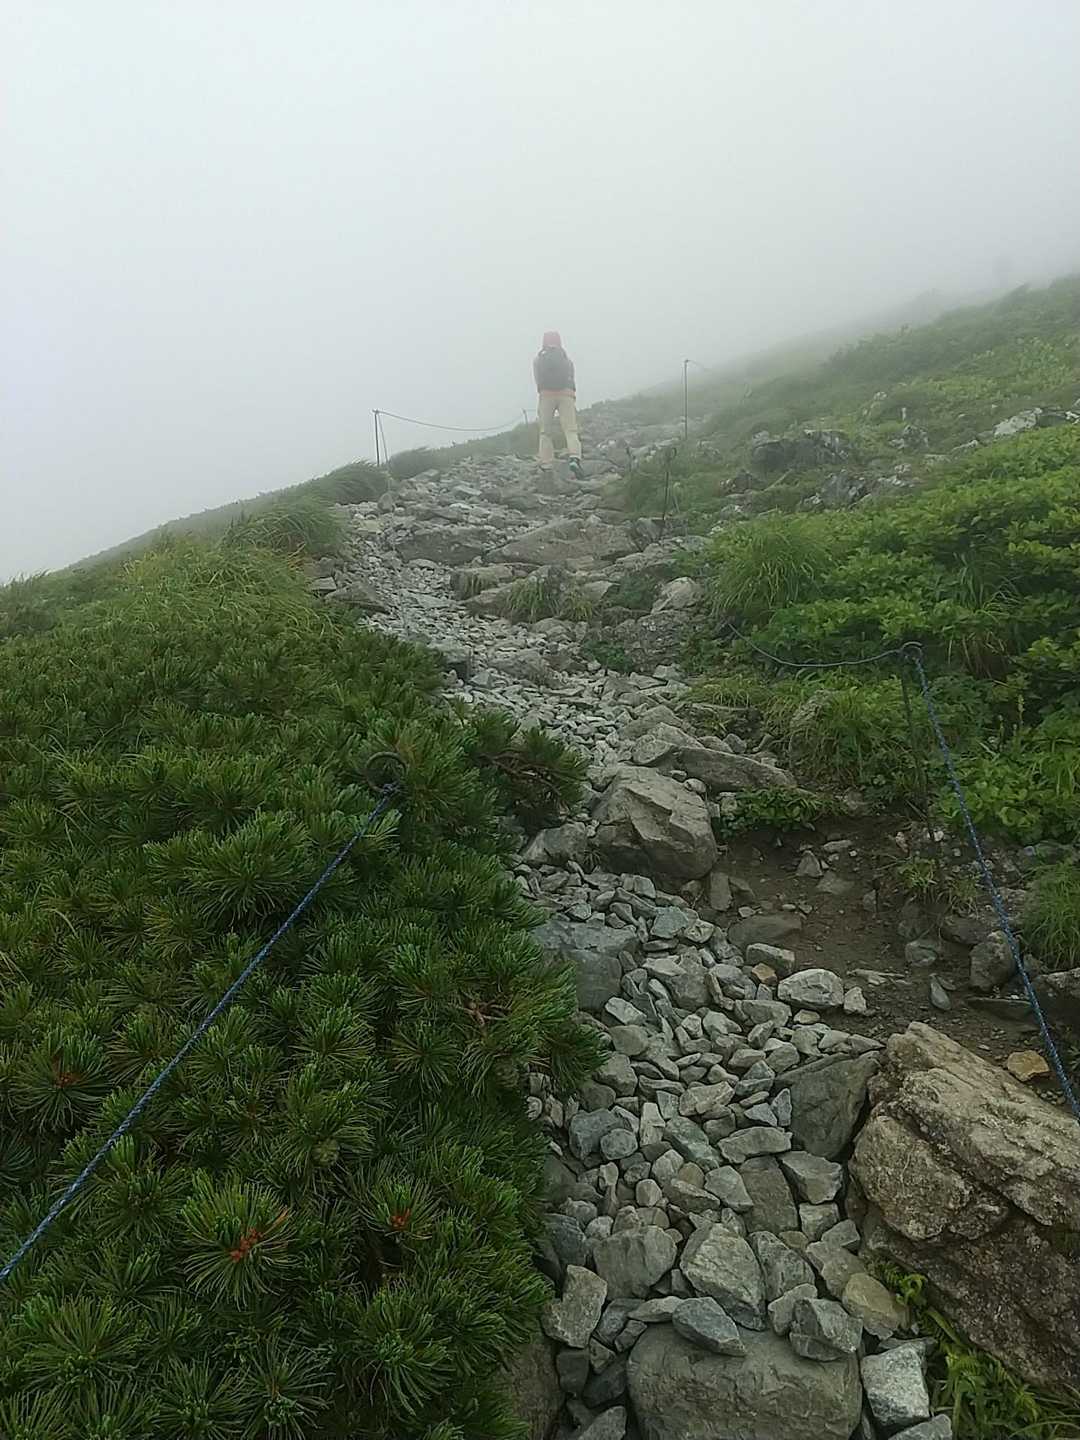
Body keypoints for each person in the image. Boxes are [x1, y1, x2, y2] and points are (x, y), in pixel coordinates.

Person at [533, 331, 583, 478]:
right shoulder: (566, 359)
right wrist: (571, 394)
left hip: (546, 396)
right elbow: (571, 377)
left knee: (545, 432)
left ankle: (546, 463)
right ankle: (575, 458)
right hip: (566, 395)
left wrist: (543, 391)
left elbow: (537, 380)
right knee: (570, 430)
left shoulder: (538, 359)